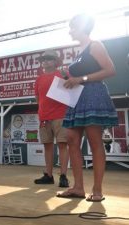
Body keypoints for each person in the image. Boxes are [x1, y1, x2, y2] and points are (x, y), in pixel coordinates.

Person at [57, 14, 118, 202]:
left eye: (73, 27)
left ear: (83, 27)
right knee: (71, 138)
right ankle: (77, 187)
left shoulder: (95, 45)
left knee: (94, 141)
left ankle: (97, 190)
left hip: (93, 95)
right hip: (78, 96)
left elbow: (110, 70)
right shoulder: (80, 50)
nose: (70, 31)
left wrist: (80, 79)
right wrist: (69, 79)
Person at [34, 50, 70, 188]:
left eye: (49, 58)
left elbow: (72, 90)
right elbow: (38, 99)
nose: (45, 61)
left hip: (61, 115)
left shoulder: (62, 74)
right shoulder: (39, 79)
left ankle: (63, 176)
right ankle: (48, 175)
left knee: (62, 145)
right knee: (47, 146)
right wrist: (43, 112)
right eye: (43, 59)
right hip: (44, 117)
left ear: (56, 61)